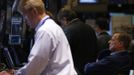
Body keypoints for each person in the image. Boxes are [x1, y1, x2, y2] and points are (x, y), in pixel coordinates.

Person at [0, 0, 77, 75]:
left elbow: (34, 67)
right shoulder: (51, 26)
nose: (25, 20)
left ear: (34, 12)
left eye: (25, 15)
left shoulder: (45, 31)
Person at [57, 8, 99, 75]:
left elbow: (63, 53)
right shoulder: (89, 28)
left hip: (75, 70)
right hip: (90, 69)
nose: (62, 26)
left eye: (61, 22)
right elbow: (96, 49)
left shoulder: (68, 30)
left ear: (64, 19)